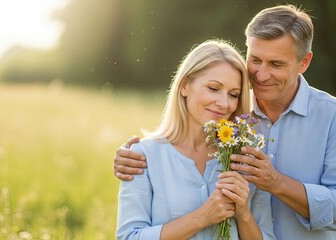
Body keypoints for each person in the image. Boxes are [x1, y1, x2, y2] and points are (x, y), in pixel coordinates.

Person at [114, 4, 336, 240]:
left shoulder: (330, 116)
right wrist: (133, 156)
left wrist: (274, 184)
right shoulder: (231, 115)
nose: (260, 75)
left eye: (276, 64)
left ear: (304, 62)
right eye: (255, 60)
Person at [116, 39, 275, 239]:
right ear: (184, 86)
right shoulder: (142, 156)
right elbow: (129, 237)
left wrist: (243, 213)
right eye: (214, 88)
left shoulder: (246, 160)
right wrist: (202, 217)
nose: (224, 103)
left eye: (233, 94)